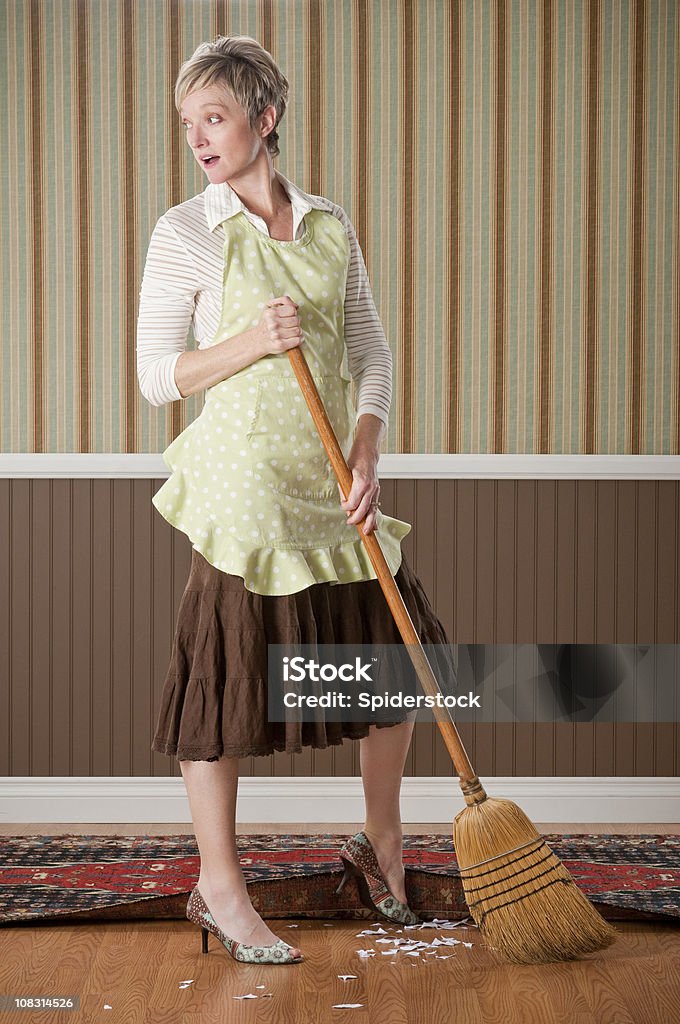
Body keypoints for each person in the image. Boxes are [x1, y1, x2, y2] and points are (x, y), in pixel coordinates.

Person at [137, 35, 453, 965]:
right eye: (188, 122)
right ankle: (221, 888)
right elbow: (159, 376)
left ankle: (383, 846)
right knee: (224, 687)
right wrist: (247, 340)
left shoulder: (328, 225)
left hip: (330, 487)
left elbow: (372, 355)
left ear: (264, 117)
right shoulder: (185, 232)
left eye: (216, 117)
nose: (198, 137)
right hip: (244, 496)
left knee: (392, 667)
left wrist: (367, 445)